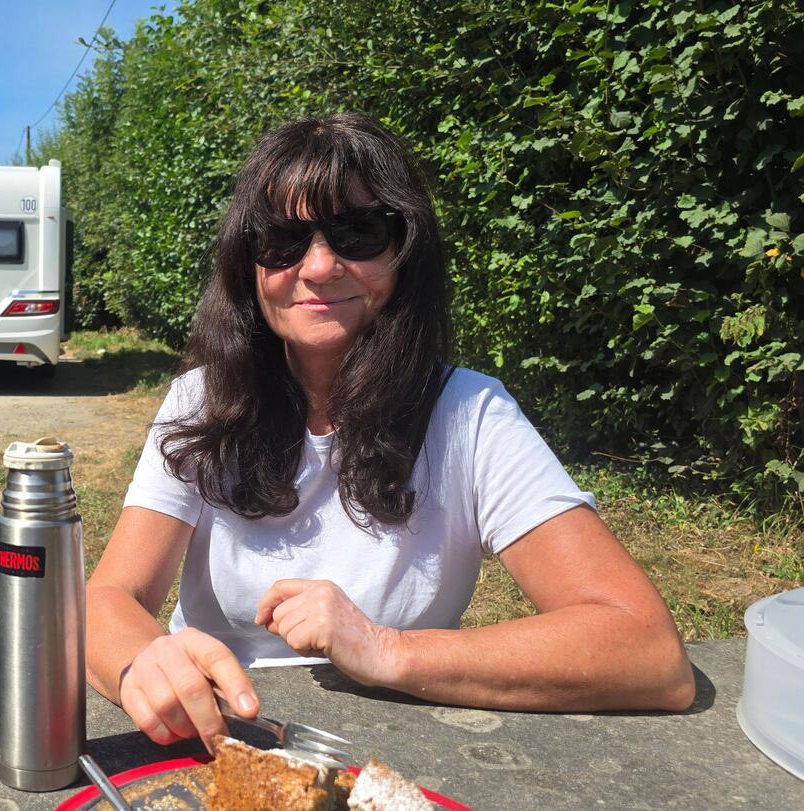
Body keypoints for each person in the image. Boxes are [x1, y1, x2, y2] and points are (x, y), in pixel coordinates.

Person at [84, 113, 696, 751]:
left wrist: (385, 650)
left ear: (407, 252)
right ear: (250, 267)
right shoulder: (201, 400)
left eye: (357, 233)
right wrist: (144, 665)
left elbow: (646, 651)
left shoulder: (469, 415)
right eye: (282, 241)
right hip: (218, 741)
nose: (319, 267)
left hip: (403, 748)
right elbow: (109, 599)